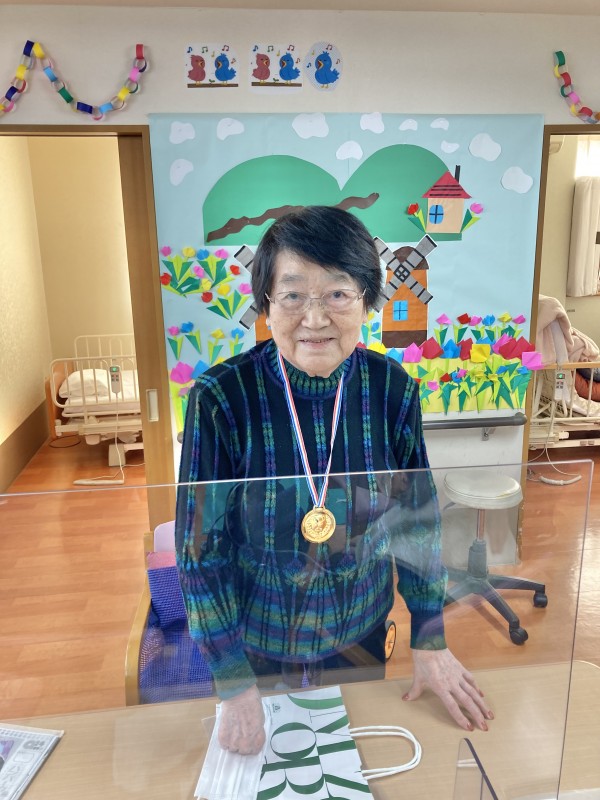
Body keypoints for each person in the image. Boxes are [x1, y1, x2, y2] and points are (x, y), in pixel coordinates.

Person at [175, 205, 493, 755]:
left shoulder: (392, 389)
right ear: (266, 304)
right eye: (293, 295)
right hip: (257, 640)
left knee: (359, 759)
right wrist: (232, 682)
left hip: (361, 628)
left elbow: (416, 520)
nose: (315, 318)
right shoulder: (222, 399)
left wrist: (429, 636)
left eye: (338, 294)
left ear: (367, 301)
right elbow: (199, 552)